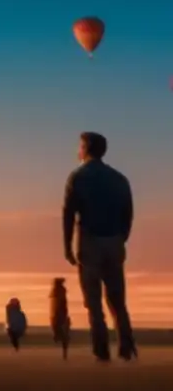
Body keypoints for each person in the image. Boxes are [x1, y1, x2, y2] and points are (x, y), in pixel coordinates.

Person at [62, 131, 136, 362]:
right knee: (117, 300)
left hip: (90, 241)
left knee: (93, 302)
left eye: (79, 146)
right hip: (114, 241)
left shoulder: (78, 176)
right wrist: (120, 237)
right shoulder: (119, 178)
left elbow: (68, 214)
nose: (77, 150)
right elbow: (128, 213)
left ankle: (101, 349)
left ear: (85, 148)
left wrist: (67, 247)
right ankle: (125, 346)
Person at [49, 278, 71, 360]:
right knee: (63, 333)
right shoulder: (59, 290)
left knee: (62, 333)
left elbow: (57, 304)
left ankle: (64, 351)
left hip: (59, 314)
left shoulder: (57, 290)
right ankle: (64, 352)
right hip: (60, 314)